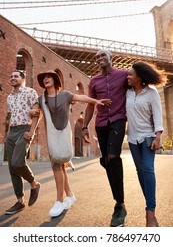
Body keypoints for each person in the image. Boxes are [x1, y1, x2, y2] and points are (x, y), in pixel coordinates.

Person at [32, 70, 109, 218]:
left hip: (64, 134)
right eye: (44, 78)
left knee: (57, 164)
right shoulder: (41, 99)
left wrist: (96, 101)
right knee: (59, 165)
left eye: (49, 77)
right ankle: (70, 195)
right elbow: (35, 112)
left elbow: (80, 97)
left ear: (55, 80)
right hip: (51, 135)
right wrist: (31, 112)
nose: (46, 79)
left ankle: (59, 201)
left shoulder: (65, 95)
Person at [82, 49, 128, 227]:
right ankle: (118, 200)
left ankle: (120, 204)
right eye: (97, 57)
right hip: (101, 124)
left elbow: (138, 85)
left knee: (113, 157)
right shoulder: (94, 80)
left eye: (103, 55)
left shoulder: (124, 75)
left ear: (111, 58)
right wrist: (85, 126)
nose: (100, 58)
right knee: (107, 161)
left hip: (118, 120)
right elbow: (90, 106)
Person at [126, 61, 167, 227]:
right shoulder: (127, 92)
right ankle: (152, 211)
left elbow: (157, 115)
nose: (128, 77)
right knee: (140, 172)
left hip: (148, 137)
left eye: (131, 74)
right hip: (132, 139)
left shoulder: (152, 93)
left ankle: (149, 213)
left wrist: (158, 137)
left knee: (148, 170)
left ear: (139, 77)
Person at [5, 70, 41, 215]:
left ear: (23, 79)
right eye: (11, 76)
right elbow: (12, 115)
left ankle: (34, 184)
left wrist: (31, 132)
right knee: (12, 168)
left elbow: (37, 113)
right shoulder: (9, 97)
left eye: (16, 76)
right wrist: (8, 133)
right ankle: (20, 202)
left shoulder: (30, 92)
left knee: (18, 162)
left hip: (24, 130)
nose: (12, 78)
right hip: (12, 131)